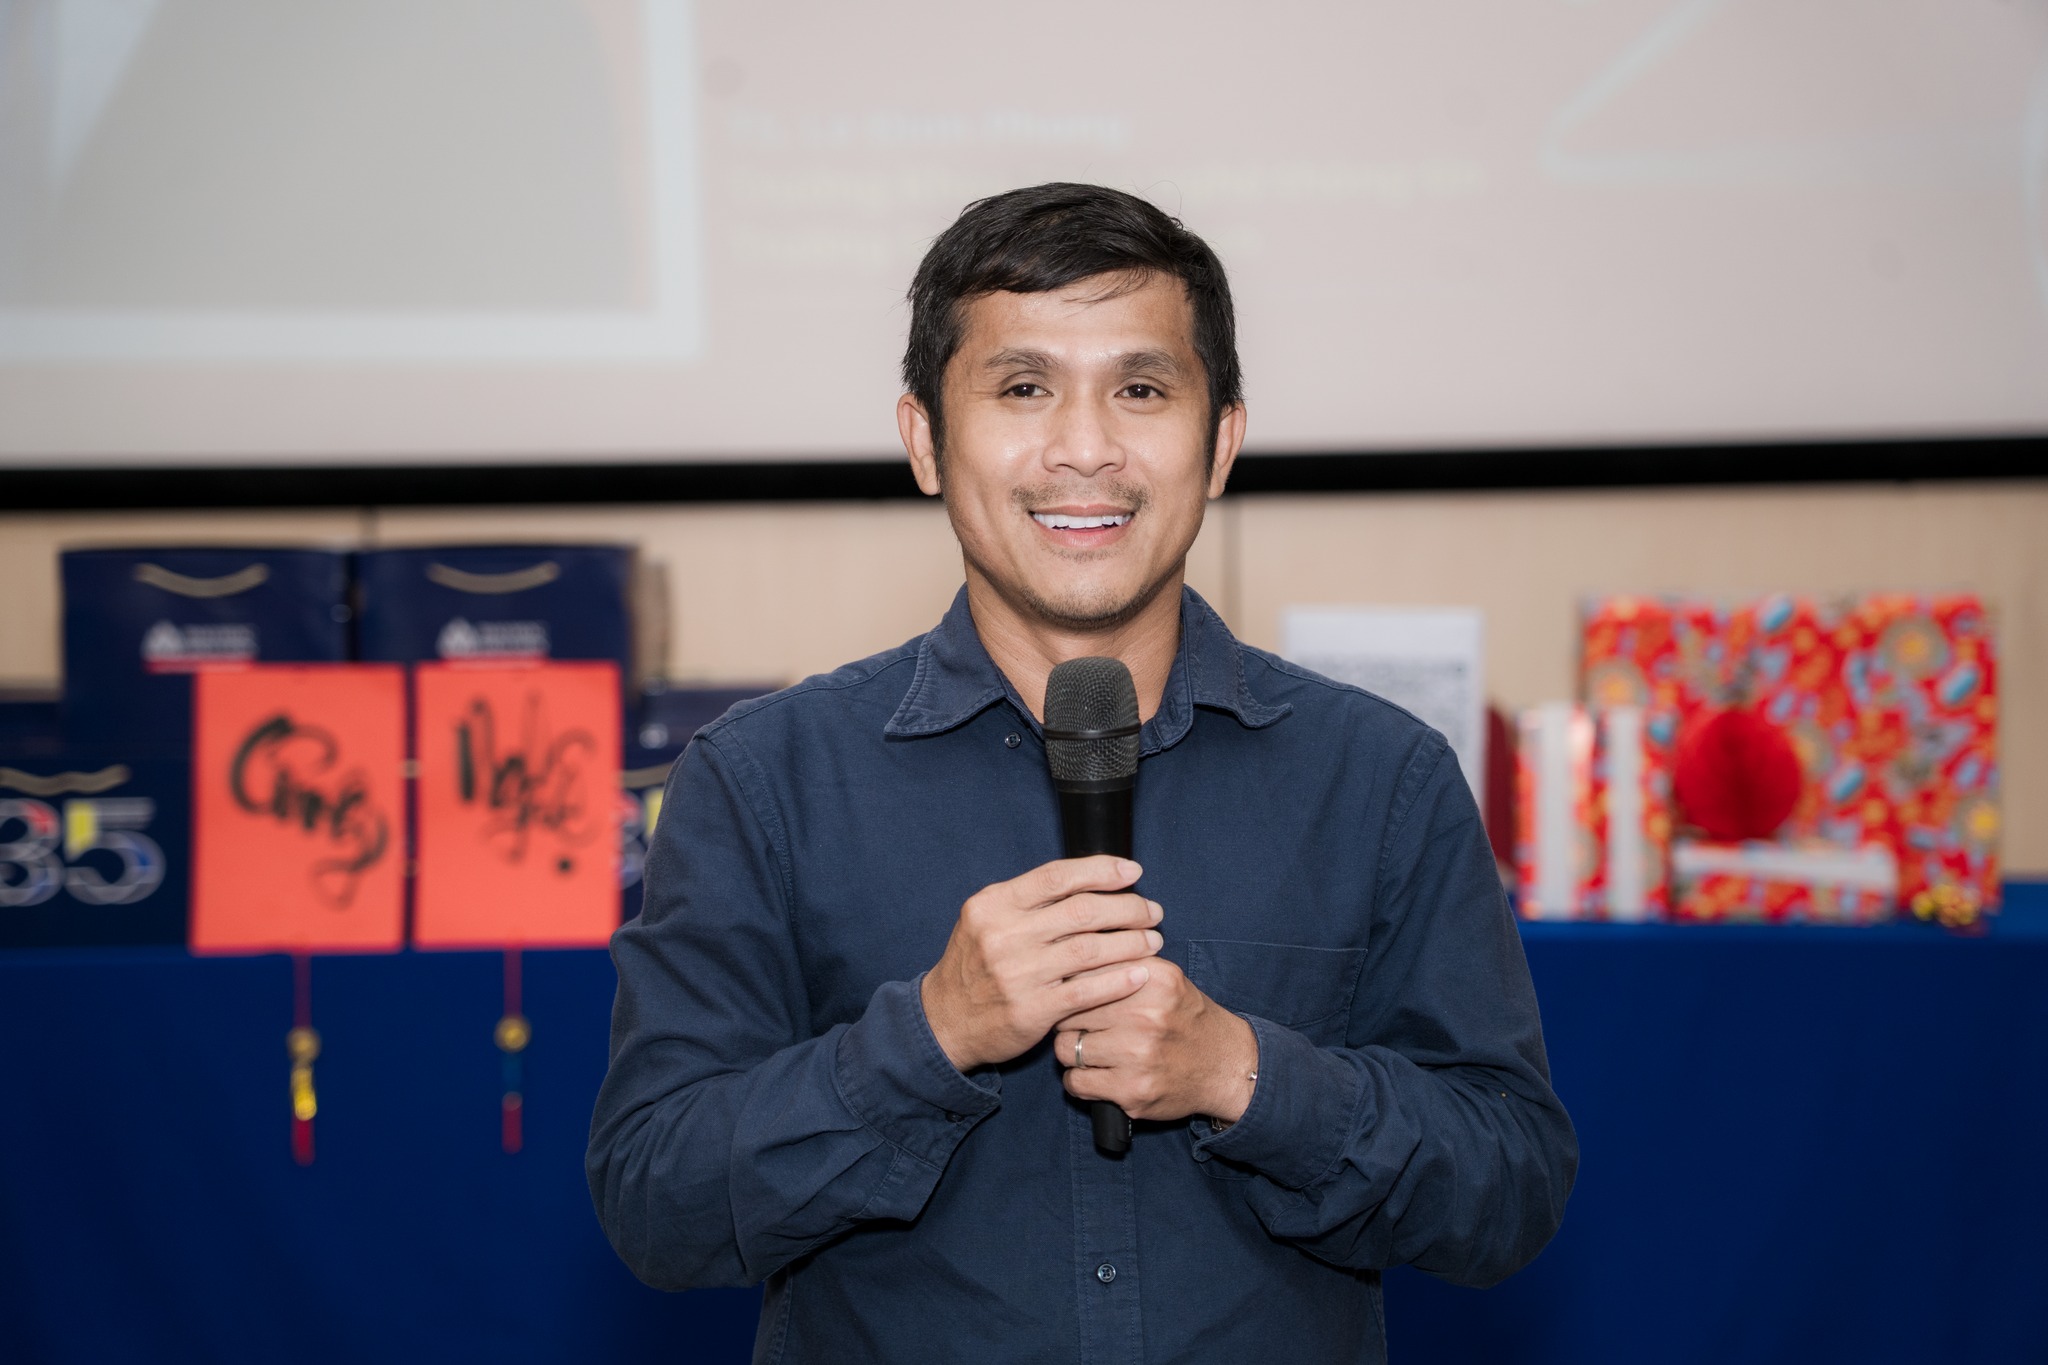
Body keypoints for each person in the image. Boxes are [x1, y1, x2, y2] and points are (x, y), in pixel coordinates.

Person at [588, 183, 1578, 1363]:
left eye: (1140, 390)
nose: (1085, 449)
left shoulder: (1377, 777)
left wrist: (1248, 1077)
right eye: (1022, 388)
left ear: (1219, 442)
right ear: (924, 441)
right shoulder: (763, 780)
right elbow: (658, 1204)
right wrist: (931, 1034)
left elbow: (1508, 1191)